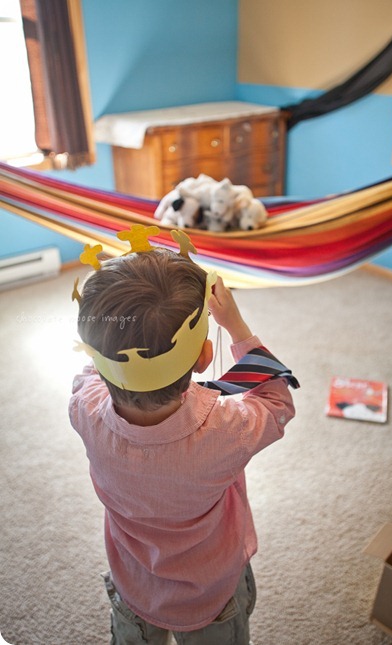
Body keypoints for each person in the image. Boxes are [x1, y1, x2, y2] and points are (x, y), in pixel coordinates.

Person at [69, 240, 297, 645]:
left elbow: (91, 368)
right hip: (211, 596)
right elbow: (276, 401)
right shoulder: (227, 430)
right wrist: (237, 326)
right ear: (205, 356)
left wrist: (117, 316)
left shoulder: (83, 407)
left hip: (134, 585)